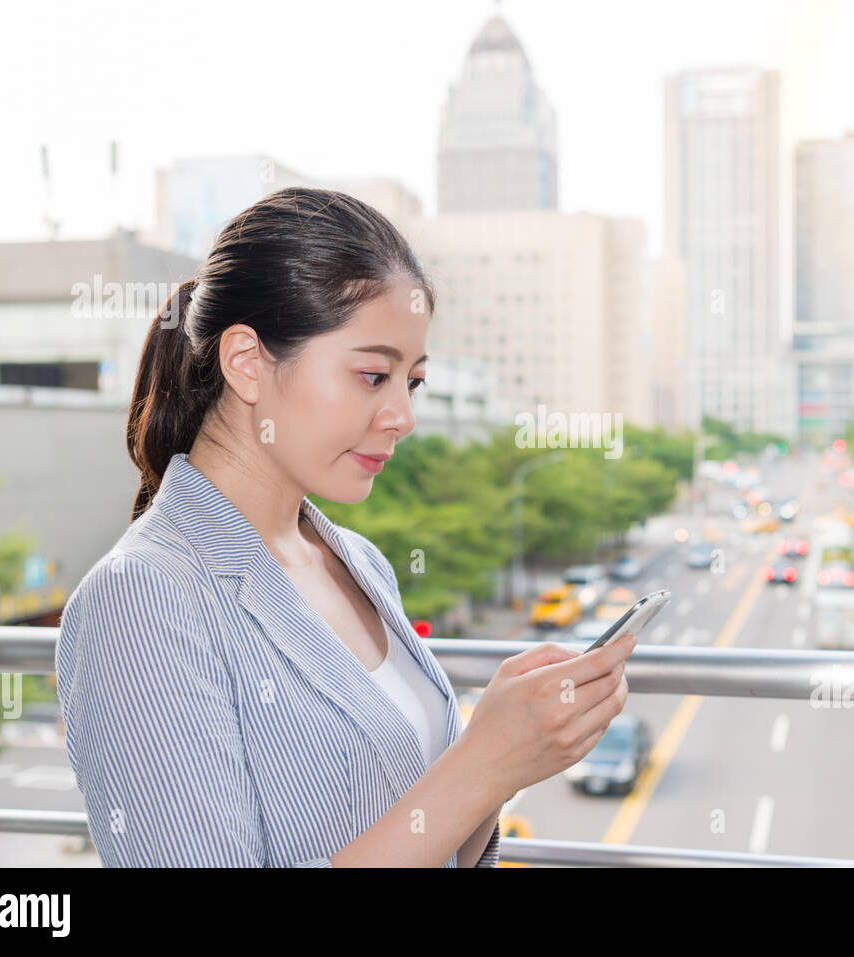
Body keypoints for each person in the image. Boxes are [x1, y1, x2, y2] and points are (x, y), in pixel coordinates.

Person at [55, 186, 635, 867]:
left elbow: (430, 836)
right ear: (246, 362)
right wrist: (479, 765)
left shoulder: (358, 561)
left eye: (411, 382)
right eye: (372, 375)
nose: (403, 416)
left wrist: (504, 760)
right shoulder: (143, 597)